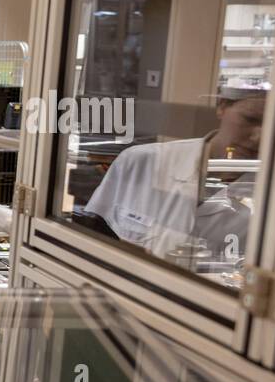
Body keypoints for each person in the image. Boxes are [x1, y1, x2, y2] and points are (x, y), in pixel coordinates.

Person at [84, 89, 263, 263]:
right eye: (250, 119)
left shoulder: (270, 205)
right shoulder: (140, 162)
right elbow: (90, 239)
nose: (259, 136)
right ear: (221, 106)